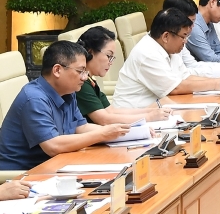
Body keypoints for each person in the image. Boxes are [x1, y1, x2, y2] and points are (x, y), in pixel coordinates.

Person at [0, 41, 130, 170]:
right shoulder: (34, 99)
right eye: (80, 71)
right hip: (23, 174)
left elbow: (81, 127)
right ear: (57, 70)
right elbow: (53, 146)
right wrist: (103, 134)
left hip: (56, 164)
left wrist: (122, 133)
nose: (85, 77)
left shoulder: (68, 91)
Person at [113, 8, 220, 108]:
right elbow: (175, 88)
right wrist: (216, 83)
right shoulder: (147, 53)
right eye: (183, 36)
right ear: (166, 36)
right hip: (132, 118)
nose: (185, 42)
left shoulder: (169, 48)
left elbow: (186, 76)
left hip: (157, 110)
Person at [76, 26, 171, 124]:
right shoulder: (80, 83)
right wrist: (149, 117)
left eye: (112, 58)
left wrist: (151, 111)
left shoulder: (90, 81)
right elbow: (104, 119)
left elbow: (112, 111)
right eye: (108, 56)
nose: (110, 62)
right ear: (90, 52)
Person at [163, 0, 220, 78]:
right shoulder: (152, 51)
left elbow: (192, 66)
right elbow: (178, 81)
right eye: (190, 22)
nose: (193, 26)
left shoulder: (178, 39)